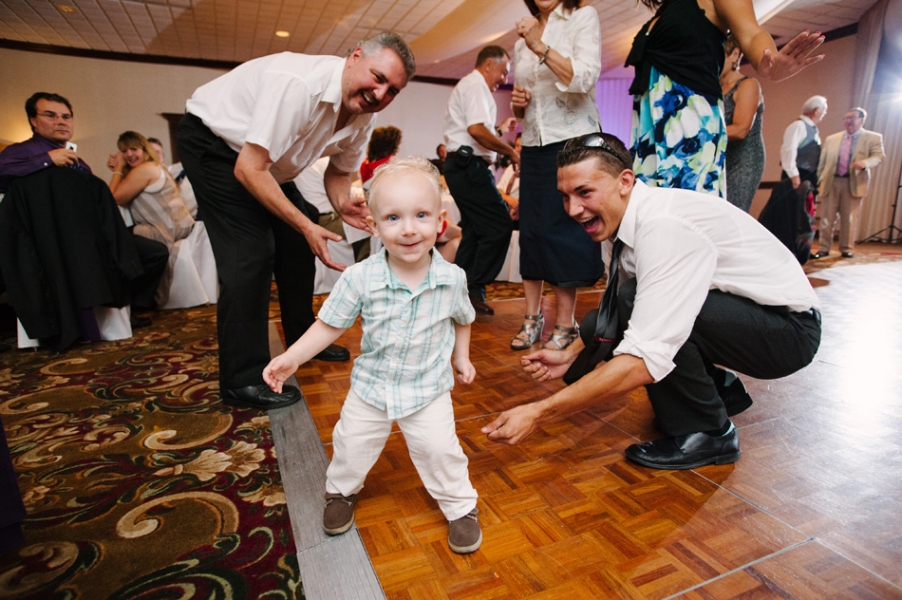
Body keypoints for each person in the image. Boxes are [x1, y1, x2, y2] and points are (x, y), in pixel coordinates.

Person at [482, 133, 821, 470]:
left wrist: (539, 412)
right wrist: (571, 355)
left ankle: (709, 433)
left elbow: (642, 359)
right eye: (565, 196)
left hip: (789, 332)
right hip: (747, 315)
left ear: (625, 181)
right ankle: (719, 390)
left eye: (584, 192)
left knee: (640, 310)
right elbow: (616, 310)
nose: (572, 209)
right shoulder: (619, 219)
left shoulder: (663, 227)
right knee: (613, 312)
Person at [177, 32, 416, 411]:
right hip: (215, 146)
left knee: (297, 247)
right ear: (355, 56)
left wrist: (342, 204)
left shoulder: (363, 116)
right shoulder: (299, 85)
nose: (380, 94)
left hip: (267, 165)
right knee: (251, 252)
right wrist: (306, 225)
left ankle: (304, 342)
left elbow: (338, 173)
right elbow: (249, 168)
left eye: (393, 91)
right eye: (378, 78)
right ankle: (242, 379)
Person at [263, 157, 482, 553]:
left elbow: (463, 318)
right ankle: (340, 491)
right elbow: (329, 324)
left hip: (428, 388)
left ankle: (460, 506)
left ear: (440, 222)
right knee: (351, 443)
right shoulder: (359, 278)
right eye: (393, 218)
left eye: (421, 215)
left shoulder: (452, 278)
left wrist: (461, 358)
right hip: (372, 387)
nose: (409, 229)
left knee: (440, 450)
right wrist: (292, 357)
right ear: (374, 225)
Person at [625, 0, 825, 197]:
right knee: (649, 208)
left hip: (689, 126)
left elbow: (752, 33)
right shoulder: (667, 9)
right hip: (649, 132)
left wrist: (770, 62)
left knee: (685, 207)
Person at [0, 92, 168, 325]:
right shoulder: (21, 152)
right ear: (33, 120)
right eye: (51, 115)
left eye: (66, 117)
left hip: (91, 232)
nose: (61, 122)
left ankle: (126, 307)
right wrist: (47, 159)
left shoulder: (78, 161)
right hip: (54, 240)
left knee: (153, 253)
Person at [510, 0, 603, 352]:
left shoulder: (582, 17)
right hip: (534, 142)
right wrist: (518, 103)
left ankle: (565, 323)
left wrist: (540, 46)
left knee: (564, 229)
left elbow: (585, 77)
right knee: (532, 230)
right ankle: (532, 319)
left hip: (571, 139)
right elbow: (523, 110)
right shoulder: (522, 39)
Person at [442, 45, 519, 316]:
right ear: (488, 65)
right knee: (499, 226)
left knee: (475, 231)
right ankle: (473, 285)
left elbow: (474, 131)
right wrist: (510, 151)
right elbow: (475, 130)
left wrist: (498, 130)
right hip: (468, 167)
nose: (504, 78)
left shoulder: (473, 86)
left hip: (464, 164)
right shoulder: (475, 85)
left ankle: (464, 293)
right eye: (503, 72)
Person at [106, 131, 196, 306]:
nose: (129, 154)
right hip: (176, 225)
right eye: (124, 151)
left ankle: (132, 300)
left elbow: (114, 198)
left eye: (134, 149)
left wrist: (117, 170)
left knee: (115, 243)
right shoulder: (150, 167)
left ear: (144, 150)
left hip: (166, 228)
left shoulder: (145, 169)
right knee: (121, 238)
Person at [814, 107, 885, 259]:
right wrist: (817, 181)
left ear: (861, 120)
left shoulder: (873, 138)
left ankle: (846, 248)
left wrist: (865, 163)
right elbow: (823, 163)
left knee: (849, 219)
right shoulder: (832, 139)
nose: (848, 121)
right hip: (831, 182)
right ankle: (823, 248)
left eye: (852, 117)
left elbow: (878, 156)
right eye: (846, 118)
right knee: (826, 218)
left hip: (853, 183)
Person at [719, 35, 764, 213]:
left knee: (732, 213)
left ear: (734, 54)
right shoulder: (714, 88)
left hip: (744, 160)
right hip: (720, 158)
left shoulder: (748, 84)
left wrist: (703, 134)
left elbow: (741, 129)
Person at [781, 95, 828, 191]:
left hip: (809, 176)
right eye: (824, 109)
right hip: (798, 176)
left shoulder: (813, 129)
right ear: (816, 111)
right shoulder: (798, 125)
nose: (825, 112)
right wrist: (794, 175)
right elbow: (789, 150)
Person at [497, 132, 522, 223]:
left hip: (520, 213)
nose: (519, 149)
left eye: (522, 146)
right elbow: (499, 189)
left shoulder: (531, 171)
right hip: (505, 209)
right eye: (517, 145)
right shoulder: (510, 168)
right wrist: (508, 199)